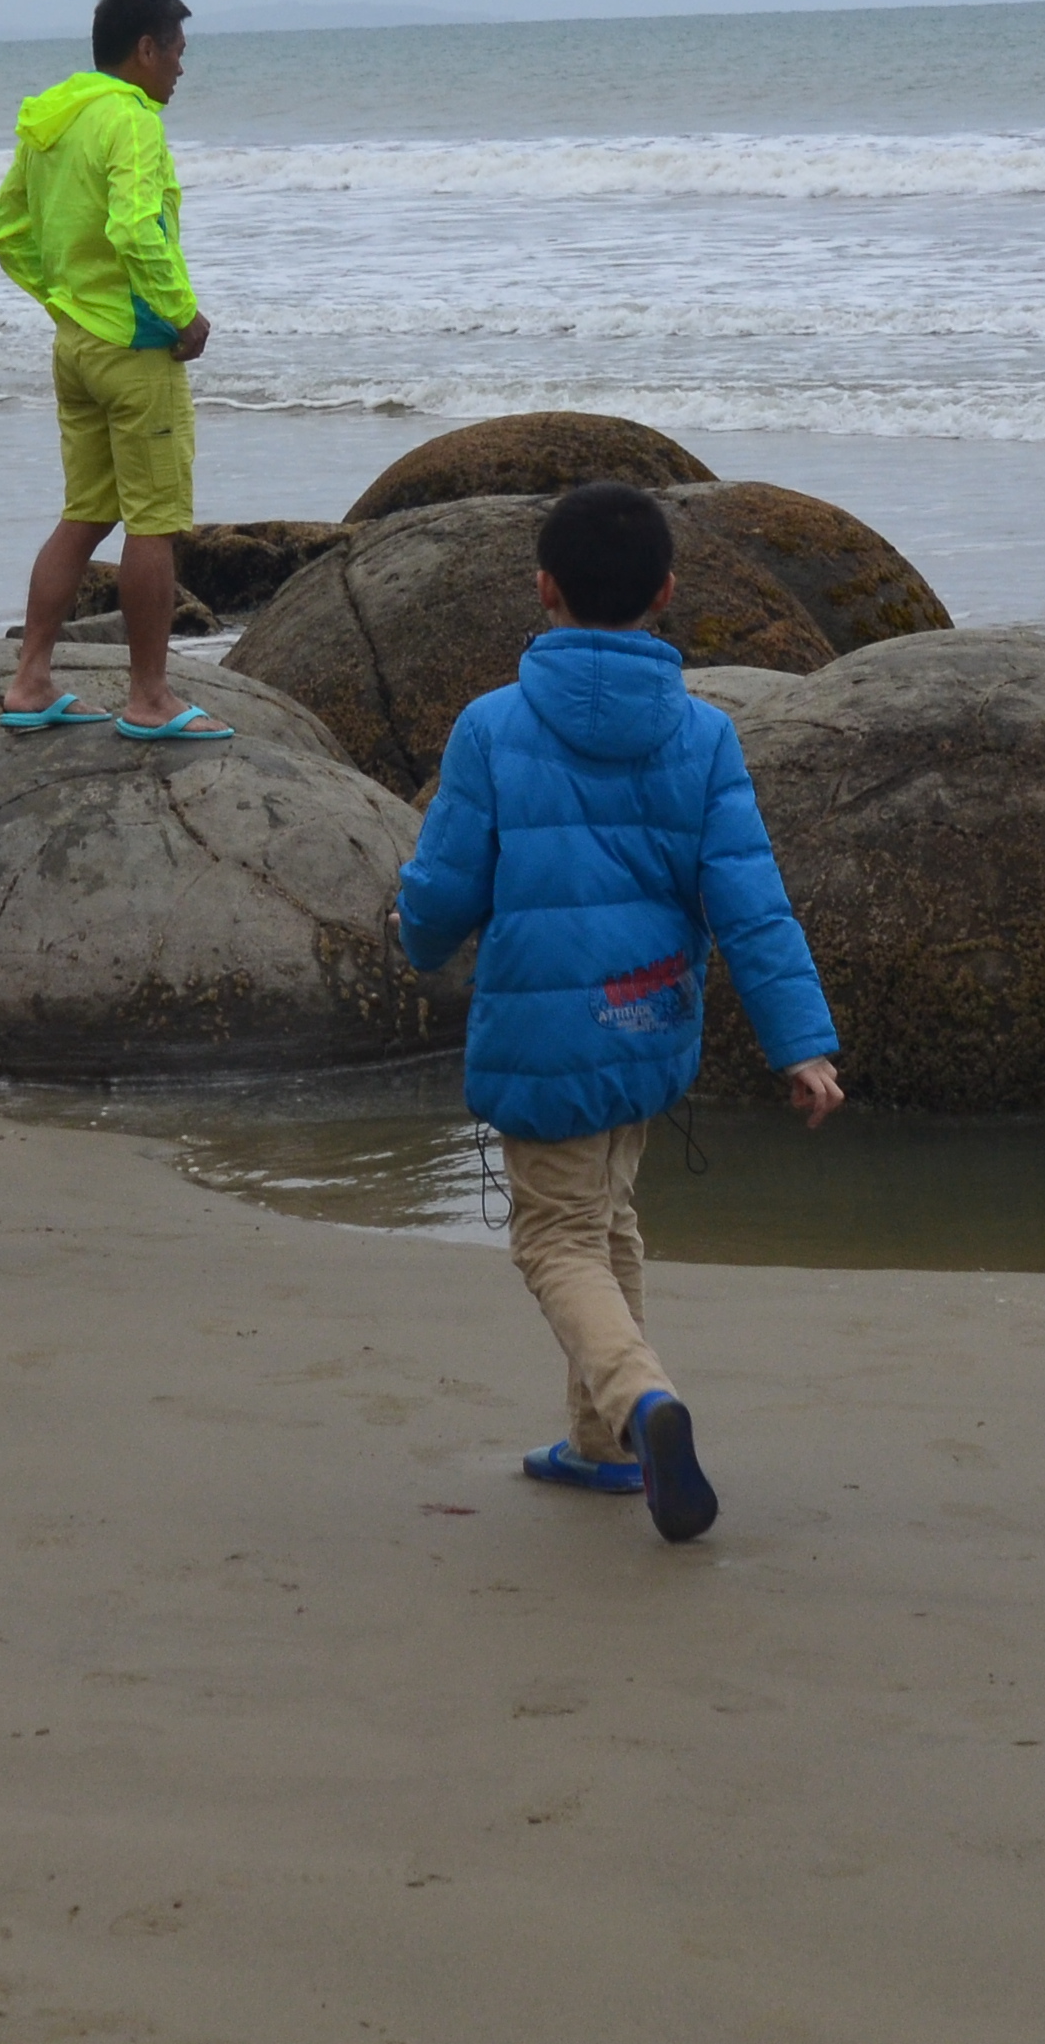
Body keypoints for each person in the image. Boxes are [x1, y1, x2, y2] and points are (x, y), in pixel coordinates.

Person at [393, 481, 842, 1545]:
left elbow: (448, 880)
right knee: (609, 1217)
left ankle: (642, 1405)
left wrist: (413, 940)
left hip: (547, 1030)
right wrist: (804, 1044)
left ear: (544, 589)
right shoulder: (703, 736)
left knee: (553, 1240)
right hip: (649, 1019)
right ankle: (601, 1447)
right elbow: (750, 899)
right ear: (668, 594)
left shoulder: (493, 726)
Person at [0, 0, 229, 740]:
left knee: (85, 513)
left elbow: (6, 232)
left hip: (76, 347)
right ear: (145, 49)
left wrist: (64, 304)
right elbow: (133, 229)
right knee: (153, 523)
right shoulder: (131, 120)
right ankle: (149, 698)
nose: (182, 70)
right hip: (134, 350)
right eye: (178, 53)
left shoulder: (54, 119)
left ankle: (30, 680)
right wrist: (182, 316)